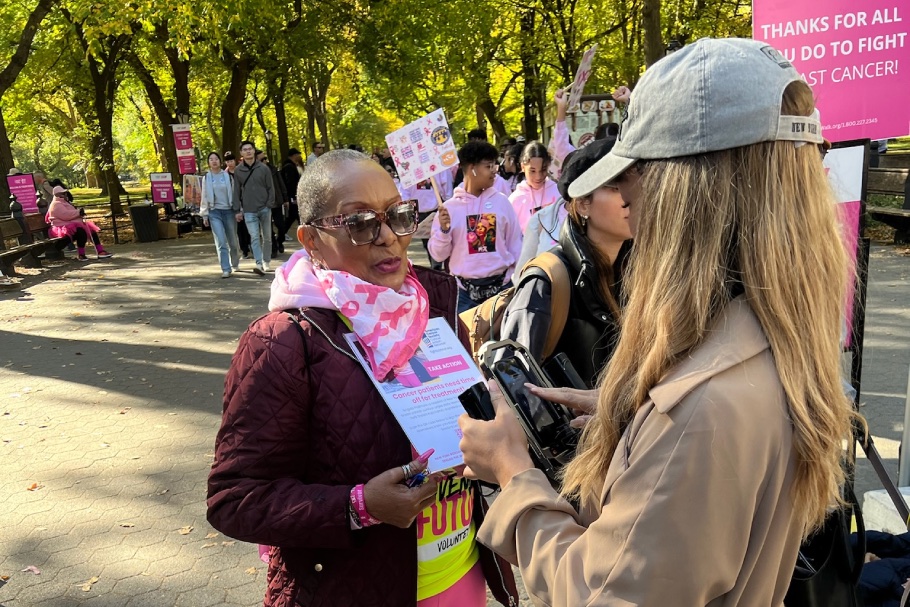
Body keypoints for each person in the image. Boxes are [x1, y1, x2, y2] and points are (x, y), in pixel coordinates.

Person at [459, 37, 856, 606]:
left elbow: (603, 593)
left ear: (683, 193)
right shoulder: (779, 334)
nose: (625, 202)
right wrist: (634, 416)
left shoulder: (697, 413)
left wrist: (512, 474)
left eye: (631, 177)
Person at [207, 150, 518, 607]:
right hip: (354, 588)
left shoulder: (435, 301)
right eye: (360, 223)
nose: (389, 237)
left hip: (461, 572)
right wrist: (358, 507)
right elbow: (234, 498)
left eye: (398, 215)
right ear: (310, 240)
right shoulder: (283, 341)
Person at [503, 138, 632, 387]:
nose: (631, 196)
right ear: (583, 204)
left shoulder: (646, 272)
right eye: (616, 186)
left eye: (636, 182)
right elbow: (513, 384)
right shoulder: (546, 281)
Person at [428, 142, 522, 314]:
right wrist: (444, 231)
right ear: (472, 168)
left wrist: (514, 278)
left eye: (494, 164)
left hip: (502, 290)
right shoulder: (448, 210)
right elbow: (438, 255)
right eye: (488, 166)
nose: (495, 170)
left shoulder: (502, 203)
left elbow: (516, 244)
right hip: (464, 295)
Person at [232, 140, 273, 275]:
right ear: (241, 153)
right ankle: (258, 263)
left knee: (267, 236)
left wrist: (269, 204)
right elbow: (236, 191)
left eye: (250, 149)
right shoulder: (238, 171)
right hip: (249, 209)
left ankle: (266, 261)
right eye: (245, 149)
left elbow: (270, 187)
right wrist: (237, 210)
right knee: (254, 237)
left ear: (254, 150)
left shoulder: (263, 168)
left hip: (264, 207)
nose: (248, 151)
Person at [200, 152, 239, 278]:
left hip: (229, 211)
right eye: (211, 159)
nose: (214, 161)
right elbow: (204, 196)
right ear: (209, 163)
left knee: (232, 241)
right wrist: (205, 214)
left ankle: (235, 263)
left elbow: (234, 194)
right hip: (214, 212)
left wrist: (238, 210)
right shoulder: (207, 177)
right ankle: (225, 268)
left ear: (220, 161)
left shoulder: (227, 176)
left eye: (216, 159)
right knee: (221, 241)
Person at [46, 186, 113, 261]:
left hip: (70, 224)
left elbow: (70, 214)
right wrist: (78, 213)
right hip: (61, 227)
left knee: (90, 229)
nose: (65, 195)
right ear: (58, 194)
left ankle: (100, 251)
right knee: (81, 231)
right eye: (63, 193)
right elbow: (65, 215)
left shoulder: (64, 202)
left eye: (65, 193)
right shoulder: (56, 204)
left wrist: (79, 214)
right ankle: (81, 254)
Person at [508, 142, 560, 232]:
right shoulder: (515, 199)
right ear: (523, 167)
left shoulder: (557, 191)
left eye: (543, 170)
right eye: (532, 171)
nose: (538, 177)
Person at [256, 150, 288, 258]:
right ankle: (273, 249)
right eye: (261, 159)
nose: (264, 161)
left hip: (276, 202)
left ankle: (280, 241)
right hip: (264, 204)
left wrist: (285, 198)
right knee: (268, 228)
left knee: (281, 225)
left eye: (265, 158)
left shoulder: (273, 170)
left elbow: (281, 183)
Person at [225, 151, 251, 259]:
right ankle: (244, 249)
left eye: (231, 161)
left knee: (248, 224)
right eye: (228, 161)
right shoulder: (225, 175)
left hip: (245, 201)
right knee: (239, 228)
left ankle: (250, 245)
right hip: (233, 203)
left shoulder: (240, 171)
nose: (230, 163)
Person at [280, 148, 304, 242]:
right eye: (298, 154)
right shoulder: (289, 167)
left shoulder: (291, 166)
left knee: (295, 215)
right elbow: (290, 183)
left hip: (292, 195)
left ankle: (282, 233)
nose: (300, 156)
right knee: (293, 215)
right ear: (294, 155)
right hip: (292, 195)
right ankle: (282, 234)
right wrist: (292, 196)